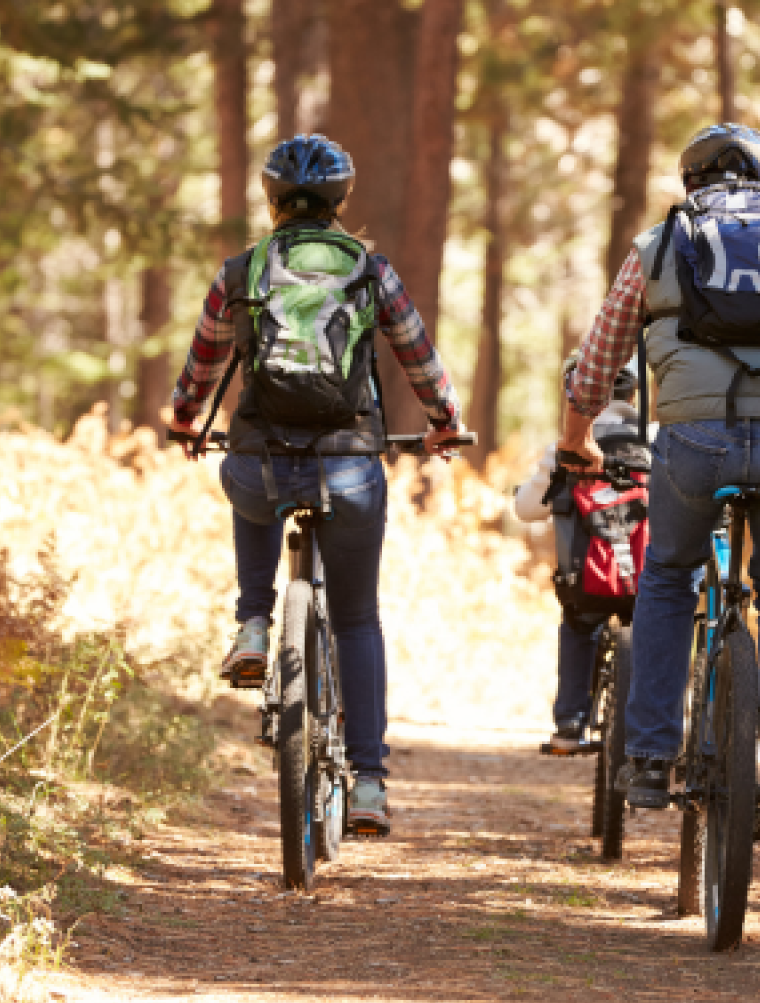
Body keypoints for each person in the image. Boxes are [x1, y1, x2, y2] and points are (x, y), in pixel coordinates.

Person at [558, 123, 760, 825]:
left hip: (693, 443)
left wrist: (576, 440)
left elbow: (598, 359)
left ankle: (648, 756)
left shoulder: (659, 245)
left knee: (669, 576)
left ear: (691, 183)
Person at [168, 134, 467, 836]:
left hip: (260, 459)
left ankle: (253, 620)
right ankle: (367, 784)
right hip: (349, 463)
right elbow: (418, 357)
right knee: (358, 618)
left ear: (272, 199)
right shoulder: (370, 269)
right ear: (341, 202)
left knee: (250, 479)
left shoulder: (242, 271)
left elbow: (203, 364)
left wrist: (186, 422)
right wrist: (445, 422)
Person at [514, 358, 647, 750]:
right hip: (646, 578)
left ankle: (571, 723)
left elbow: (526, 509)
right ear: (633, 394)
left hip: (585, 579)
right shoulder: (654, 439)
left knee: (578, 623)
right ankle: (653, 731)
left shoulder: (566, 448)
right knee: (656, 629)